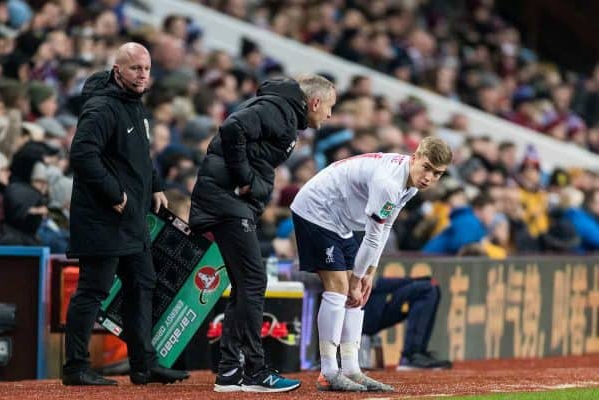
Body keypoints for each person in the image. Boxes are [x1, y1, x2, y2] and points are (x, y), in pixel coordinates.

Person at [189, 74, 336, 393]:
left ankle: (230, 371)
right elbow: (231, 128)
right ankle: (254, 371)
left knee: (246, 285)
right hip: (224, 202)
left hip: (227, 202)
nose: (329, 115)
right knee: (253, 282)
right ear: (313, 102)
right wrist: (244, 179)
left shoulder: (282, 110)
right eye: (328, 107)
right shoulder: (279, 108)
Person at [62, 42, 190, 386]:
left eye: (147, 69)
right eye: (135, 68)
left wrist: (156, 185)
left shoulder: (135, 105)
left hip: (130, 218)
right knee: (93, 289)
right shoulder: (102, 107)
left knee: (142, 284)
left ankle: (144, 364)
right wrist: (113, 193)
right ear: (118, 70)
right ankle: (75, 367)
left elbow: (141, 156)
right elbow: (83, 155)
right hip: (103, 217)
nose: (143, 75)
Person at [290, 137, 453, 392]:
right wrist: (357, 279)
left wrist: (369, 273)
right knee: (339, 289)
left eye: (438, 174)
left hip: (339, 219)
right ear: (416, 155)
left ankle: (352, 369)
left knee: (359, 295)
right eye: (427, 167)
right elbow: (373, 235)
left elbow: (386, 226)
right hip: (317, 209)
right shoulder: (389, 183)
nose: (429, 178)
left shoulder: (409, 183)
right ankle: (329, 372)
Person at [362, 277, 452, 370]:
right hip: (364, 313)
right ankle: (410, 355)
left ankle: (418, 353)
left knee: (432, 287)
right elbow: (370, 283)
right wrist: (411, 281)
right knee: (427, 288)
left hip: (372, 304)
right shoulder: (347, 265)